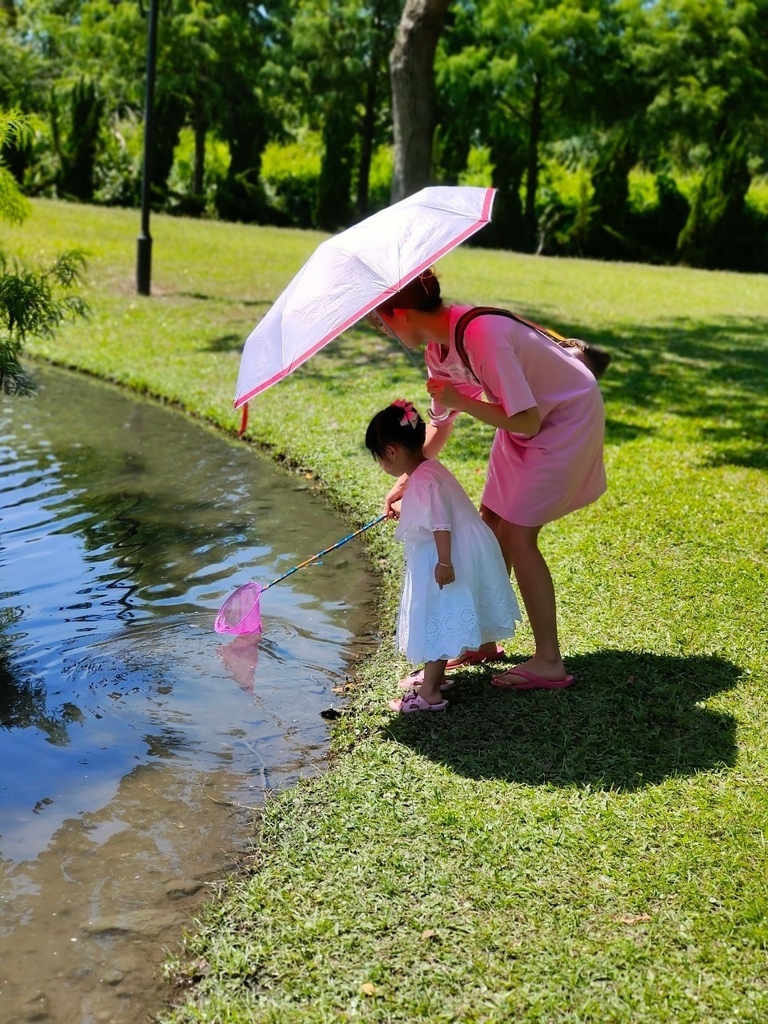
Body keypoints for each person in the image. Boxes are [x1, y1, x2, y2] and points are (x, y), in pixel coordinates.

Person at [372, 269, 606, 690]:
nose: (382, 329)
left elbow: (530, 421)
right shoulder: (437, 353)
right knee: (491, 520)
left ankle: (549, 660)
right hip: (521, 421)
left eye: (383, 320)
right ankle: (483, 640)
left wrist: (461, 400)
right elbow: (439, 427)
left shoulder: (481, 335)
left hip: (563, 418)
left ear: (402, 314)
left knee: (518, 533)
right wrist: (411, 475)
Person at [365, 400, 521, 713]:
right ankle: (435, 677)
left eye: (380, 458)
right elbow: (431, 510)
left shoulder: (423, 480)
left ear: (392, 451)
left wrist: (444, 563)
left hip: (449, 553)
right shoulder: (428, 469)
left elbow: (440, 523)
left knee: (438, 615)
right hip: (465, 546)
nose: (382, 465)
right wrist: (401, 509)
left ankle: (430, 691)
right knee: (448, 611)